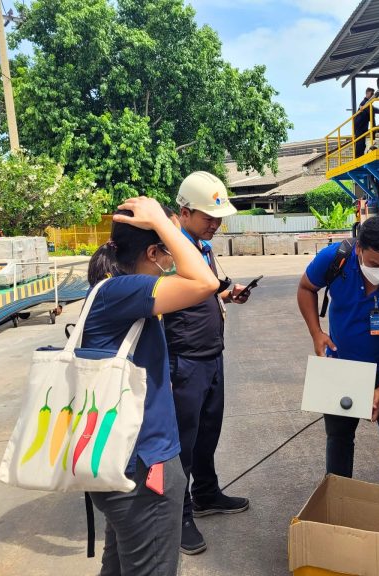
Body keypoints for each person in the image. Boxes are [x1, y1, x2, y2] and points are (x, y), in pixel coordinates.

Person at [84, 196, 220, 575]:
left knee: (120, 566)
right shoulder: (123, 290)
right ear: (153, 251)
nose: (174, 257)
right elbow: (204, 282)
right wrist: (164, 223)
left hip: (123, 462)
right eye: (168, 247)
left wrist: (164, 229)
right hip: (145, 468)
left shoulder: (116, 290)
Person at [296, 216, 379, 490]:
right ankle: (337, 499)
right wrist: (316, 333)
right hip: (342, 368)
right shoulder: (337, 258)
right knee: (338, 437)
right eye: (373, 264)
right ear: (359, 248)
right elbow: (306, 287)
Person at [164, 171, 252, 555]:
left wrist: (228, 295)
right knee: (181, 442)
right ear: (184, 212)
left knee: (207, 432)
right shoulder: (167, 252)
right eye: (208, 217)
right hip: (182, 360)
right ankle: (177, 515)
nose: (215, 224)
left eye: (219, 218)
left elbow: (203, 289)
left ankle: (205, 492)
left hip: (210, 356)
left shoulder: (200, 245)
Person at [353, 87, 379, 157]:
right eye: (371, 94)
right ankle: (358, 159)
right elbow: (372, 113)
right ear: (367, 94)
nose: (373, 95)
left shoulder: (367, 103)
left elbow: (373, 109)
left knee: (361, 143)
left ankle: (359, 157)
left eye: (373, 94)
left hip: (362, 126)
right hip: (360, 126)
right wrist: (374, 130)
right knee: (360, 143)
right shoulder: (364, 103)